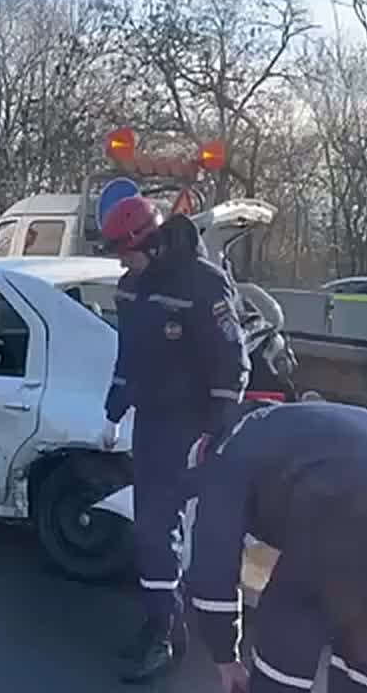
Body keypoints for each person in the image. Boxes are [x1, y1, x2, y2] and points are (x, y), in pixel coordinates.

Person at [186, 400, 367, 693]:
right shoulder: (287, 423)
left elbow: (213, 565)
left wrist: (225, 656)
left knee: (287, 635)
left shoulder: (228, 454)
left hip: (351, 502)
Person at [98, 197, 251, 683]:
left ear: (153, 245)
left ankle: (164, 635)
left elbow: (232, 362)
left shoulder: (202, 284)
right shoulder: (132, 288)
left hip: (189, 425)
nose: (122, 264)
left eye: (127, 253)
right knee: (151, 528)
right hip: (151, 423)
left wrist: (214, 431)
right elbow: (129, 356)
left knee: (158, 530)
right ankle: (163, 623)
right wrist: (113, 411)